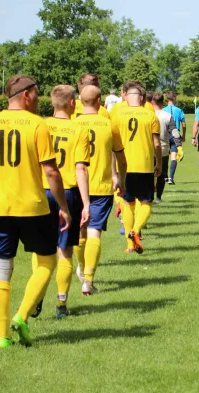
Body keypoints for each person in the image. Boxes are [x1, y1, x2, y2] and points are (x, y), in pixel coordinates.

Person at [0, 75, 71, 348]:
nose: (39, 99)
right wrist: (63, 207)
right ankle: (22, 316)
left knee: (2, 268)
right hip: (33, 208)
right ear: (26, 95)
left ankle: (3, 337)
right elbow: (51, 171)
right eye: (37, 94)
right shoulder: (37, 124)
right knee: (48, 261)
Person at [38, 84, 90, 318]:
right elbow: (81, 169)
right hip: (67, 193)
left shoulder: (40, 126)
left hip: (40, 191)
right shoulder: (78, 130)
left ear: (51, 102)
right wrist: (86, 202)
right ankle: (61, 304)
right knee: (65, 250)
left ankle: (37, 294)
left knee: (40, 248)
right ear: (72, 103)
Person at [75, 85, 127, 294]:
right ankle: (88, 280)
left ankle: (80, 267)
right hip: (102, 185)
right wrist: (120, 179)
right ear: (99, 102)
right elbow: (122, 160)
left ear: (80, 100)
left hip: (77, 185)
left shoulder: (72, 124)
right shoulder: (108, 124)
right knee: (94, 231)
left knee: (80, 230)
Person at [111, 82, 161, 254]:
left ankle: (129, 244)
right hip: (145, 165)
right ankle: (136, 230)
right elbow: (156, 144)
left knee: (127, 203)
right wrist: (159, 164)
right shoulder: (150, 115)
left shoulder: (117, 114)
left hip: (124, 165)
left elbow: (113, 144)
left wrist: (113, 170)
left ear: (127, 97)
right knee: (146, 202)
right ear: (141, 99)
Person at [152, 92, 181, 203]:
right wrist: (179, 146)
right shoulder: (168, 116)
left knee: (148, 174)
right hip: (163, 149)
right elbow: (174, 131)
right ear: (162, 102)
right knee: (161, 174)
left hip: (148, 149)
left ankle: (148, 197)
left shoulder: (147, 115)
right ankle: (158, 197)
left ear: (152, 102)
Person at [164, 91, 186, 184]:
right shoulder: (179, 110)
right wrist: (184, 135)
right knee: (174, 156)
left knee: (164, 156)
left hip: (165, 134)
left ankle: (164, 177)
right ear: (174, 98)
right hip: (175, 135)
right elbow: (183, 124)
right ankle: (171, 177)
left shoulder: (163, 110)